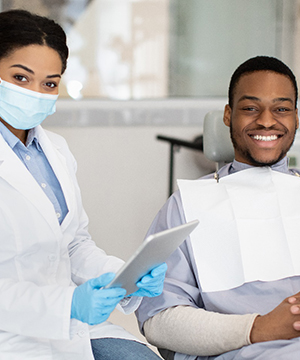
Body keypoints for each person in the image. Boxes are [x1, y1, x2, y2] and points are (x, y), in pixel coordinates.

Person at [0, 9, 167, 360]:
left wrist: (121, 275)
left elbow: (74, 244)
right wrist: (68, 305)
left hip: (71, 332)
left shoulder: (55, 150)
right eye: (20, 77)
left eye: (49, 83)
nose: (37, 93)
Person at [135, 55, 300, 360]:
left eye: (281, 109)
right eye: (250, 108)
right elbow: (158, 320)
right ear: (228, 115)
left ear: (296, 118)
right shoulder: (186, 206)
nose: (266, 120)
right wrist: (258, 328)